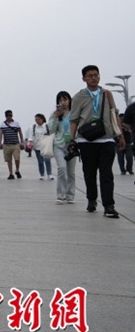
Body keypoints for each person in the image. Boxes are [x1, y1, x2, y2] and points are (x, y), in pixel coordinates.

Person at [69, 65, 123, 218]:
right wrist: (71, 140)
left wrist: (120, 135)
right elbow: (74, 120)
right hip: (86, 141)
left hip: (106, 139)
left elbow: (114, 114)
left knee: (107, 174)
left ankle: (109, 205)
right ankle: (92, 199)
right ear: (84, 79)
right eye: (90, 75)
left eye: (96, 75)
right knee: (89, 173)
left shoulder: (107, 94)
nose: (94, 78)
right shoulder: (79, 96)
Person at [49, 91, 76, 203]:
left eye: (65, 100)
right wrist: (56, 117)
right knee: (62, 169)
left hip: (71, 145)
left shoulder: (74, 113)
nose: (63, 103)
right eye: (60, 101)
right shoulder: (54, 114)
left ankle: (70, 195)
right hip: (59, 145)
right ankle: (61, 195)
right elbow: (50, 130)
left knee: (71, 172)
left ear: (69, 100)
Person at [0, 110, 25, 179]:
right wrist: (0, 142)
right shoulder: (2, 124)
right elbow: (1, 134)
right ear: (6, 116)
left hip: (15, 144)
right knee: (8, 160)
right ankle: (11, 173)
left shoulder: (16, 123)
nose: (9, 117)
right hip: (6, 144)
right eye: (8, 115)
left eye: (11, 115)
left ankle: (17, 170)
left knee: (17, 158)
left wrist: (22, 142)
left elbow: (20, 133)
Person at [29, 114, 53, 180]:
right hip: (37, 146)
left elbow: (51, 134)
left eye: (38, 119)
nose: (37, 121)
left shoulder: (47, 126)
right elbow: (31, 135)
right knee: (40, 162)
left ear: (42, 119)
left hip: (45, 146)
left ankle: (49, 174)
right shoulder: (34, 127)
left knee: (47, 160)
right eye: (36, 119)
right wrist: (30, 141)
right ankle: (41, 174)